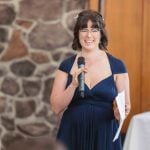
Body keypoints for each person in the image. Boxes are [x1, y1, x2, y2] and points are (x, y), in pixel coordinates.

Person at [50, 10, 131, 150]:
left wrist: (120, 113)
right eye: (84, 30)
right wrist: (73, 85)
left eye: (94, 30)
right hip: (72, 133)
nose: (89, 35)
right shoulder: (66, 65)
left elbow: (125, 106)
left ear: (101, 34)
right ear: (77, 34)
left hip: (104, 133)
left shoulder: (117, 66)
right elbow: (56, 108)